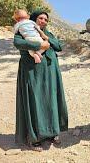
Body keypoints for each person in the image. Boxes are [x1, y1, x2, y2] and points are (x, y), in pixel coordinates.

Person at [13, 10, 68, 151]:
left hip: (50, 74)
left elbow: (58, 46)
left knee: (50, 102)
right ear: (33, 19)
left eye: (46, 19)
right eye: (40, 18)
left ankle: (51, 132)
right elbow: (17, 42)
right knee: (34, 101)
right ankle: (34, 138)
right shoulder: (22, 31)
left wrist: (47, 40)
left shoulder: (48, 34)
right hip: (32, 73)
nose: (43, 21)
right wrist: (38, 46)